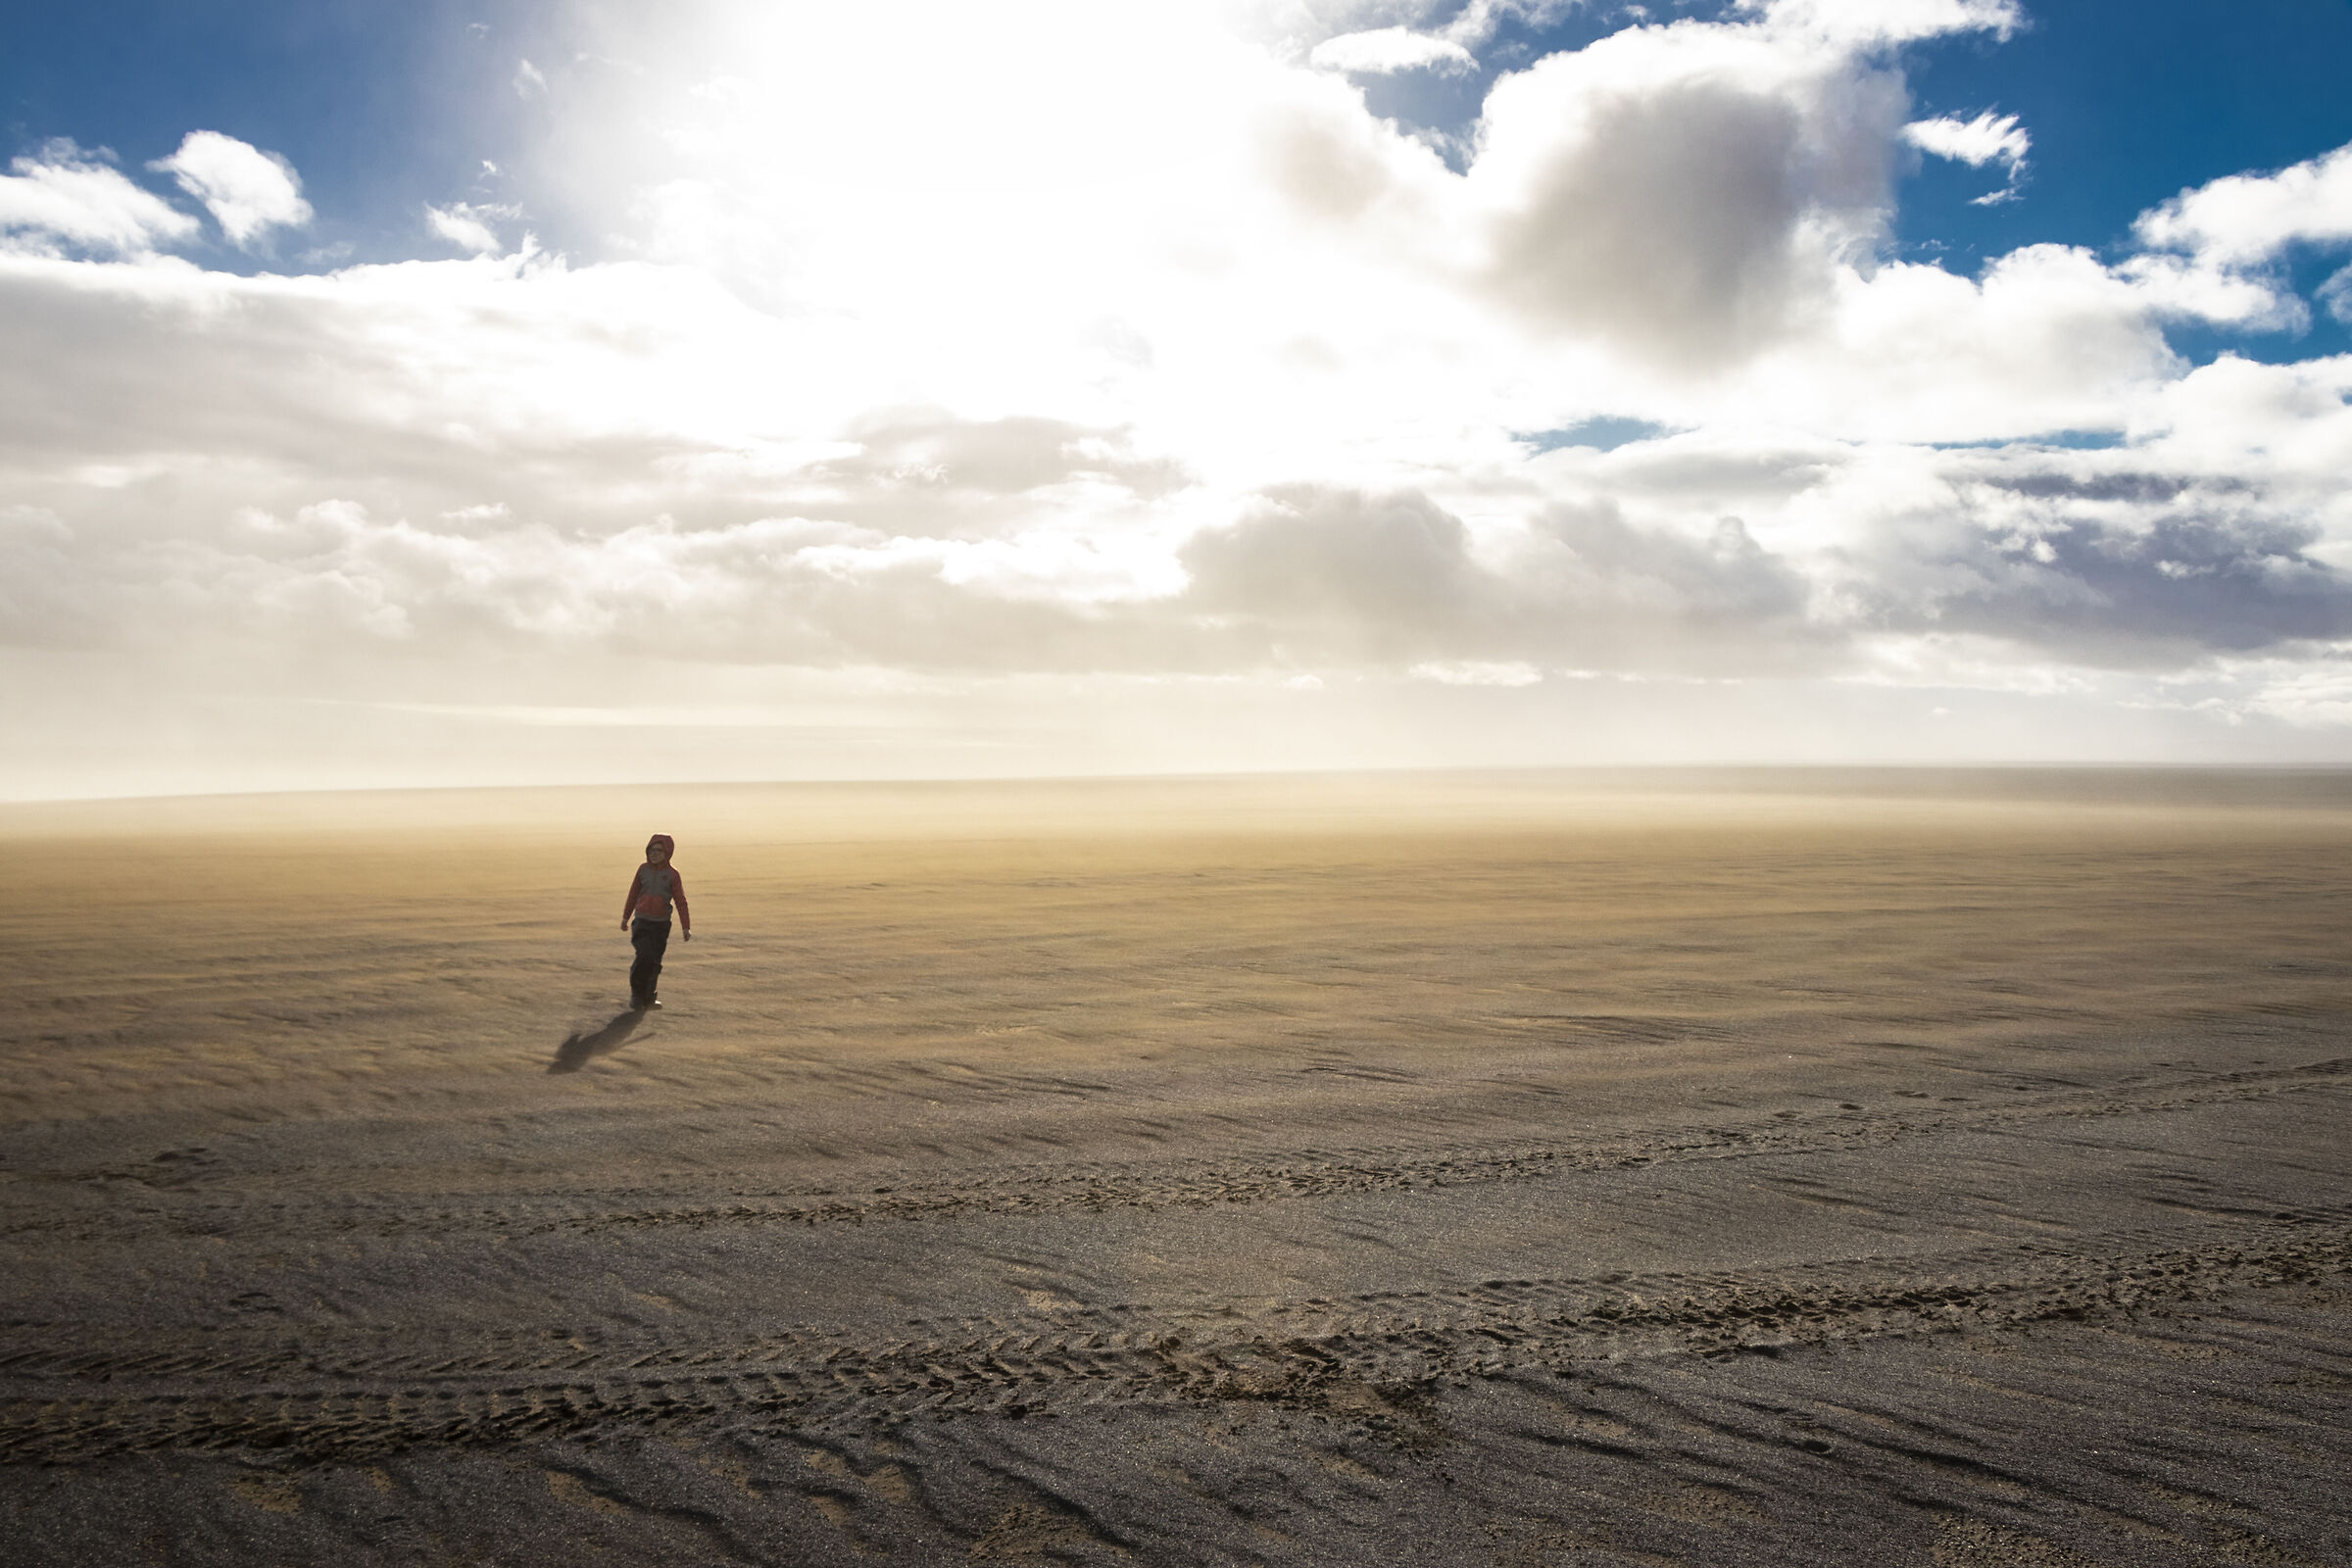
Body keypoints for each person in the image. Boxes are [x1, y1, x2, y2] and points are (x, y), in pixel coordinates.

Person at [619, 833, 691, 1009]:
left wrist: (686, 927)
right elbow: (633, 894)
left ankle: (649, 997)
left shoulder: (672, 875)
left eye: (659, 850)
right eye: (651, 850)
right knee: (644, 956)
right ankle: (637, 995)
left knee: (655, 962)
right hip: (642, 922)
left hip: (661, 925)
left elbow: (681, 901)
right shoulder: (643, 870)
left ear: (667, 852)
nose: (654, 853)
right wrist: (626, 917)